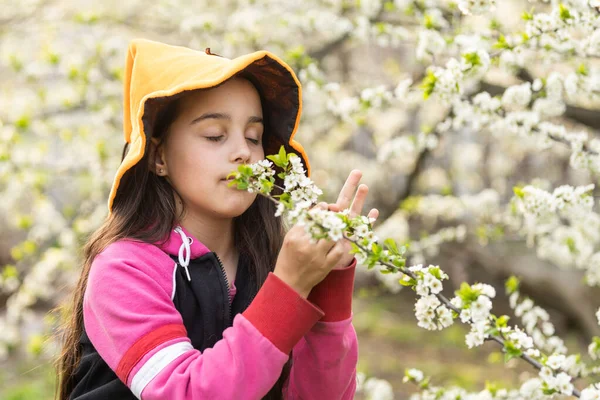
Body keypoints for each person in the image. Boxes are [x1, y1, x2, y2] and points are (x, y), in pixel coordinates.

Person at [55, 38, 379, 400]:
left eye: (254, 137)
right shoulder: (124, 270)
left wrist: (328, 283)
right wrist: (287, 288)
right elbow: (188, 393)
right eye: (215, 135)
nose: (242, 151)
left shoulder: (271, 260)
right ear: (158, 156)